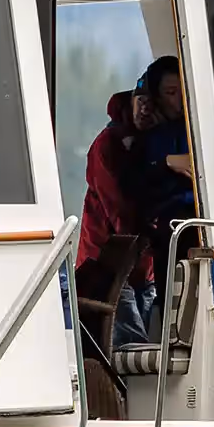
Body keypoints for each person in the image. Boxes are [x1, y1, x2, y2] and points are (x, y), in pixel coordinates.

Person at [73, 88, 153, 348]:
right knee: (128, 342)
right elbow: (118, 210)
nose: (145, 109)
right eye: (141, 101)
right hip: (106, 260)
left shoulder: (155, 142)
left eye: (153, 103)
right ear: (131, 102)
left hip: (144, 267)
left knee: (143, 335)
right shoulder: (107, 144)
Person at [130, 55, 196, 312]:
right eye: (171, 92)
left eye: (183, 89)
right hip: (172, 231)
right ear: (157, 98)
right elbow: (137, 181)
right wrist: (167, 161)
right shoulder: (149, 140)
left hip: (200, 224)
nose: (180, 98)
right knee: (174, 304)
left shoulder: (200, 129)